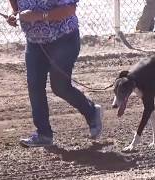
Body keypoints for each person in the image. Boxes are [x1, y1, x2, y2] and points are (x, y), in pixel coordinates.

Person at [7, 0, 103, 147]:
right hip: (35, 42)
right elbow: (14, 5)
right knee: (34, 85)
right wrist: (12, 14)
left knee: (60, 87)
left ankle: (92, 113)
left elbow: (69, 9)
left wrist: (38, 16)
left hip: (64, 39)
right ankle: (43, 134)